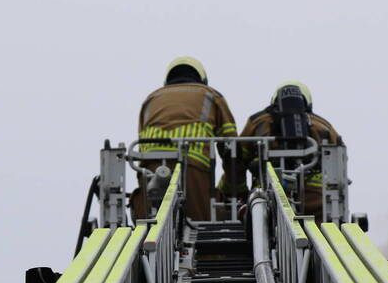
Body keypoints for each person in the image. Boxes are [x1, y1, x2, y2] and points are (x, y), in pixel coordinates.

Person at [132, 57, 238, 221]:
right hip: (193, 168)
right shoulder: (211, 95)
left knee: (149, 225)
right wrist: (234, 190)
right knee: (201, 229)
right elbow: (231, 149)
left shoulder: (151, 99)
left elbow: (141, 142)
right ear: (202, 79)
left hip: (150, 172)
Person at [234, 81, 343, 217]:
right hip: (315, 198)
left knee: (258, 228)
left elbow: (236, 158)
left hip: (265, 194)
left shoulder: (258, 121)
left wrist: (238, 191)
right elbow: (340, 164)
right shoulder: (324, 126)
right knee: (320, 230)